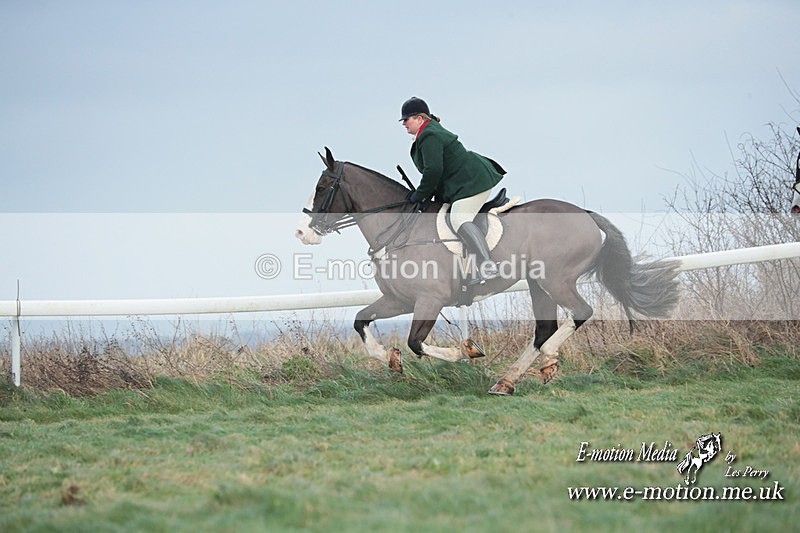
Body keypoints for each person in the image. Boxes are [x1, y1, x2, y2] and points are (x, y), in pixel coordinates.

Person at [400, 96, 506, 283]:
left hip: (473, 181)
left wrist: (421, 194)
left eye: (406, 119)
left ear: (419, 118)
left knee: (458, 219)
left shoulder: (429, 135)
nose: (404, 124)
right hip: (461, 184)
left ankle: (487, 266)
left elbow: (433, 171)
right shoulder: (427, 133)